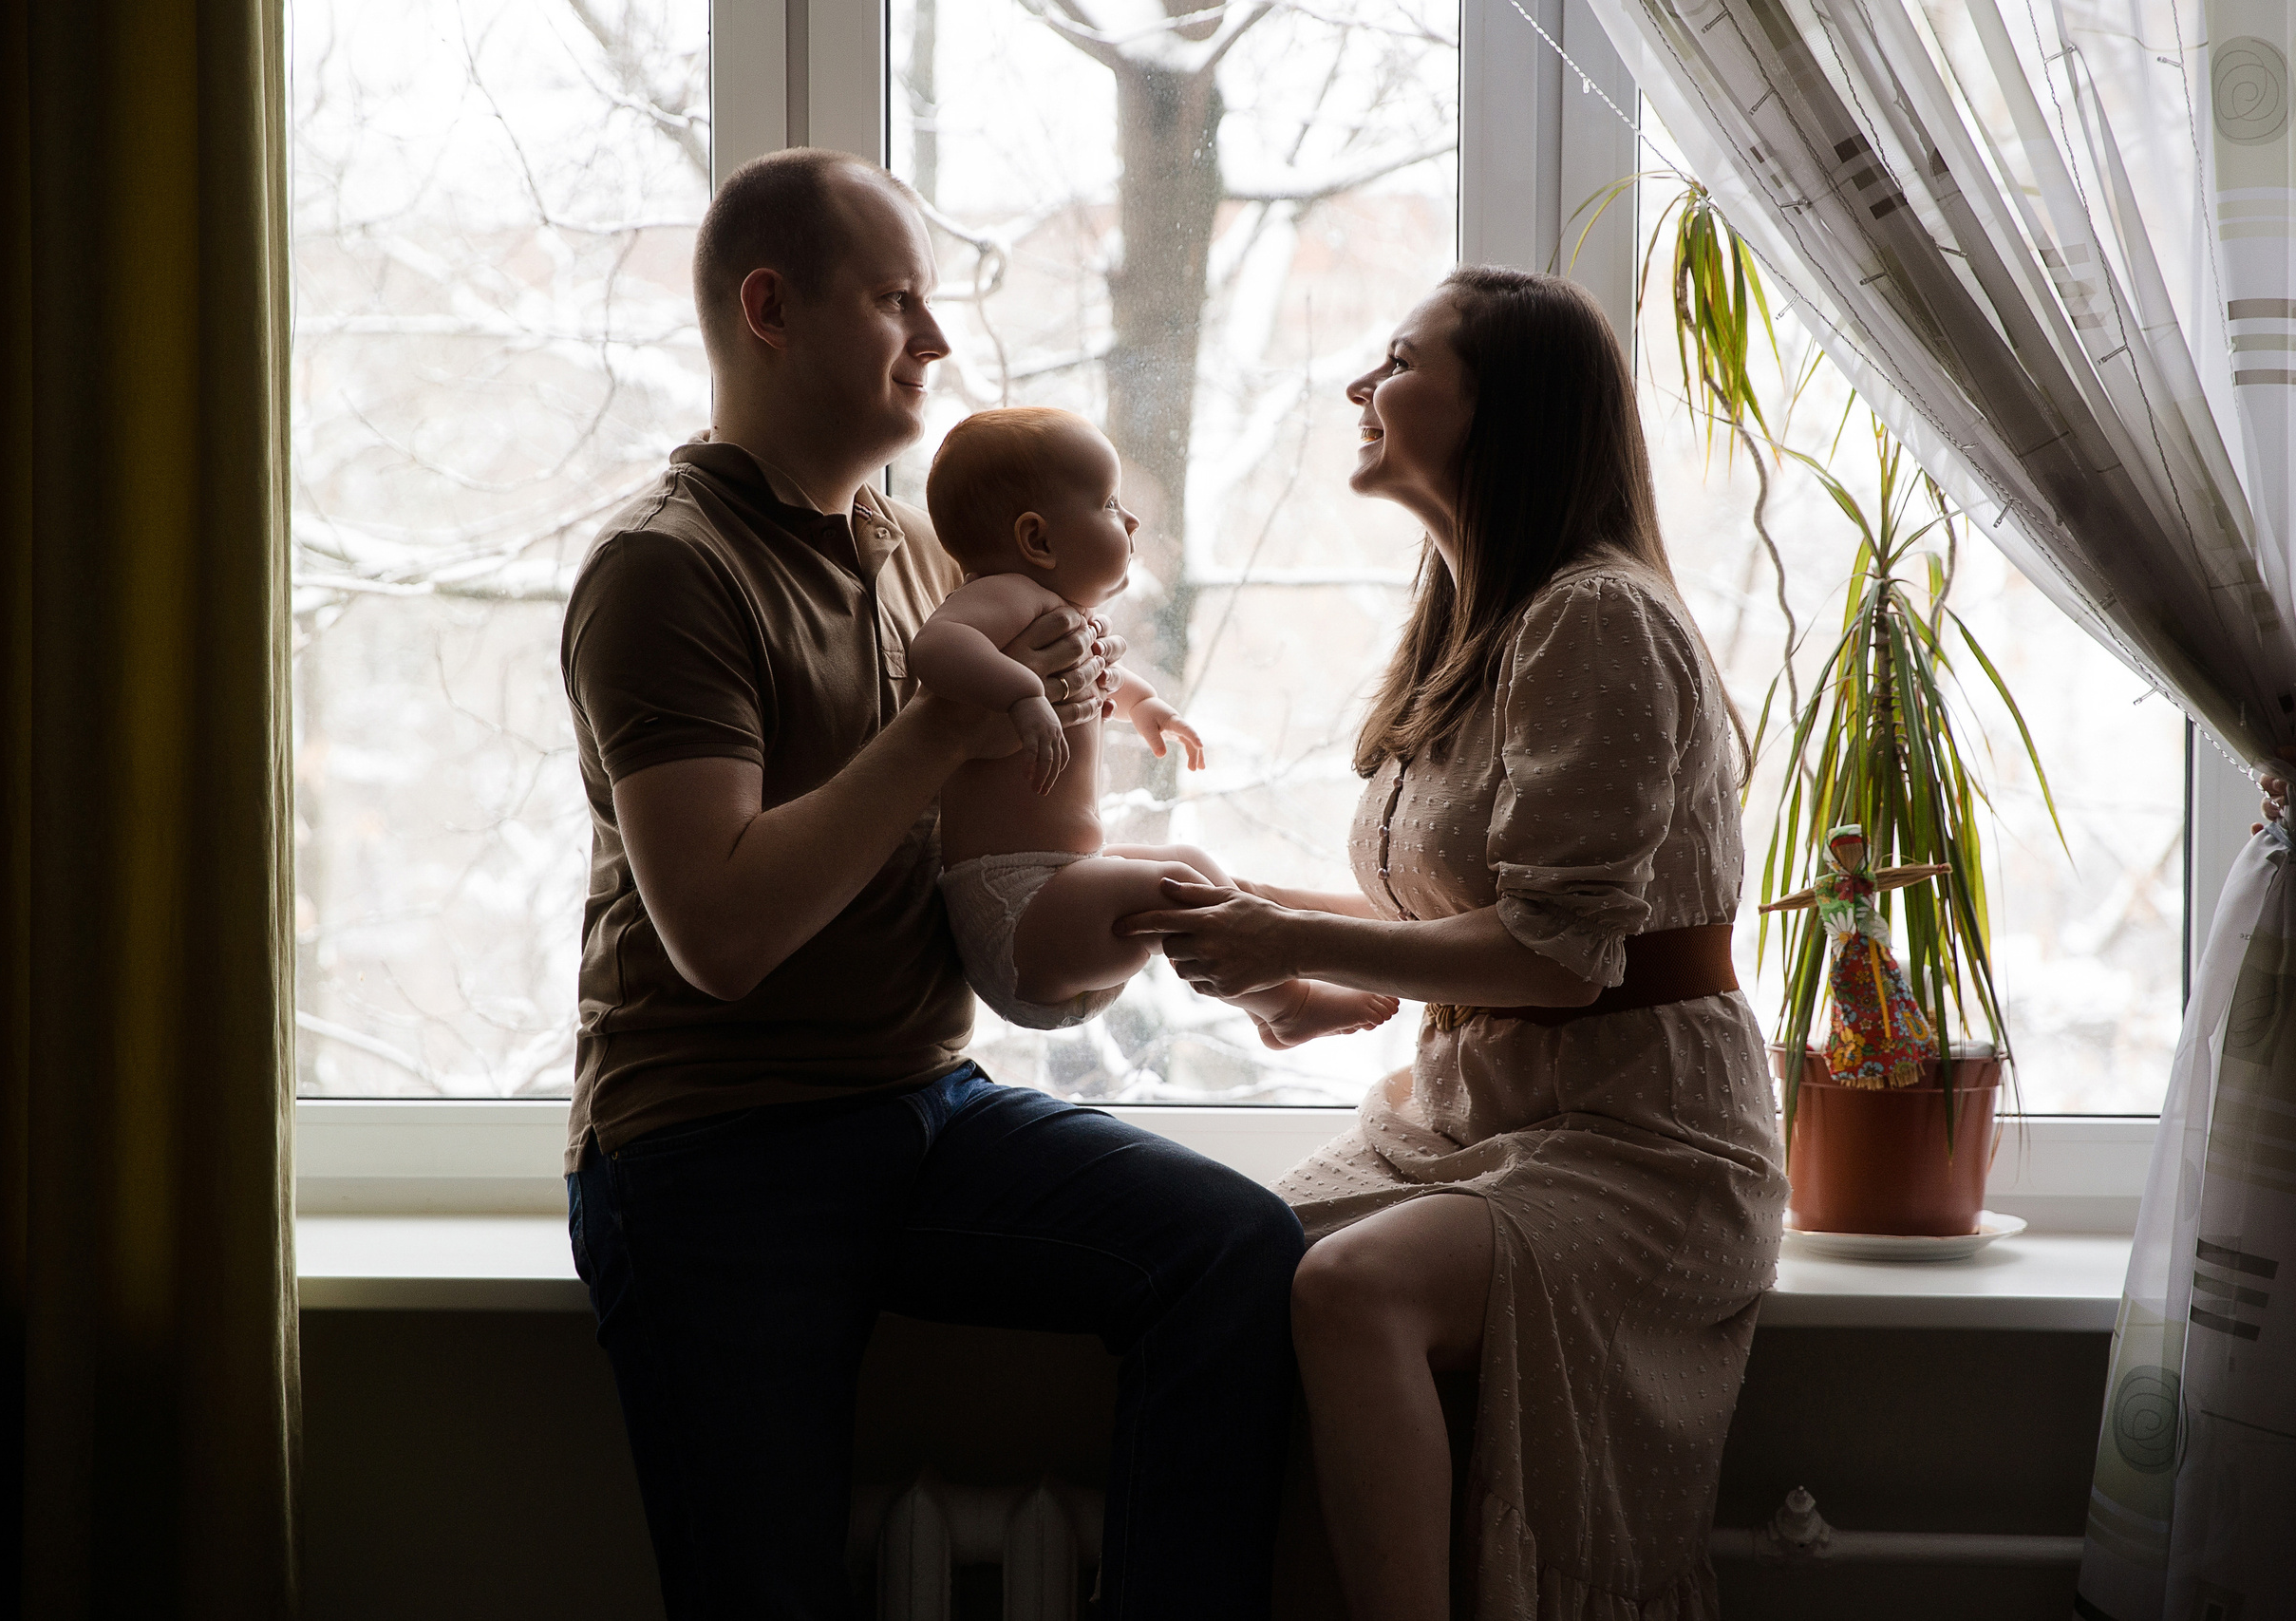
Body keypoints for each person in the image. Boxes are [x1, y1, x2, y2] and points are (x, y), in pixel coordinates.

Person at [558, 148, 1306, 1619]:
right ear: (770, 308)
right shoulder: (667, 572)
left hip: (918, 1110)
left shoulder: (912, 548)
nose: (940, 339)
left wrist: (1115, 894)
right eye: (898, 299)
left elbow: (978, 848)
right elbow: (720, 929)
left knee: (1236, 1253)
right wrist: (945, 719)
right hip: (712, 1154)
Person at [1123, 268, 1788, 1618]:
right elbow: (1471, 910)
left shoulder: (1595, 615)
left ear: (1505, 408)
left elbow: (1561, 955)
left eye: (1398, 359)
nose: (1359, 388)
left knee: (1355, 1284)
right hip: (1480, 1113)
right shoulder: (1473, 620)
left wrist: (1298, 929)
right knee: (1225, 1258)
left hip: (1645, 1140)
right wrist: (1315, 982)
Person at [913, 405, 1400, 1046]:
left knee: (1190, 864)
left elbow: (1098, 683)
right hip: (1016, 910)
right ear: (1038, 540)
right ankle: (1291, 1004)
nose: (1133, 520)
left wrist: (1144, 706)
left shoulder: (1056, 614)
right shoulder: (1003, 595)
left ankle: (1267, 1009)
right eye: (1111, 504)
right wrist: (1022, 693)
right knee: (1170, 887)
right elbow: (936, 646)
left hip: (1064, 889)